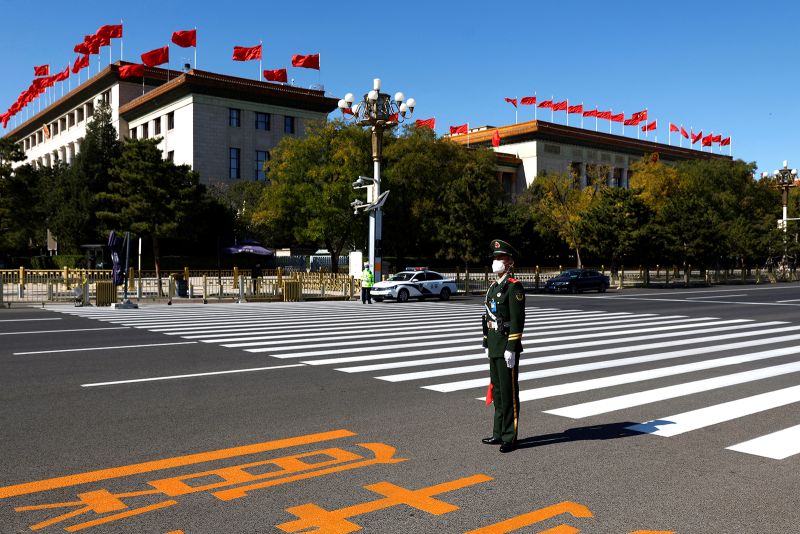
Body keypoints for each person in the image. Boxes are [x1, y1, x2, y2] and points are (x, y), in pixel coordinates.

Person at [481, 239, 526, 453]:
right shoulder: (494, 286)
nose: (496, 262)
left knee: (509, 393)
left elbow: (518, 320)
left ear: (509, 262)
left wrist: (512, 346)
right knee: (498, 391)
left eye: (500, 258)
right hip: (495, 344)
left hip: (507, 345)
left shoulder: (513, 287)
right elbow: (486, 317)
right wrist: (486, 342)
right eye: (495, 258)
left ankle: (510, 436)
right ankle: (498, 432)